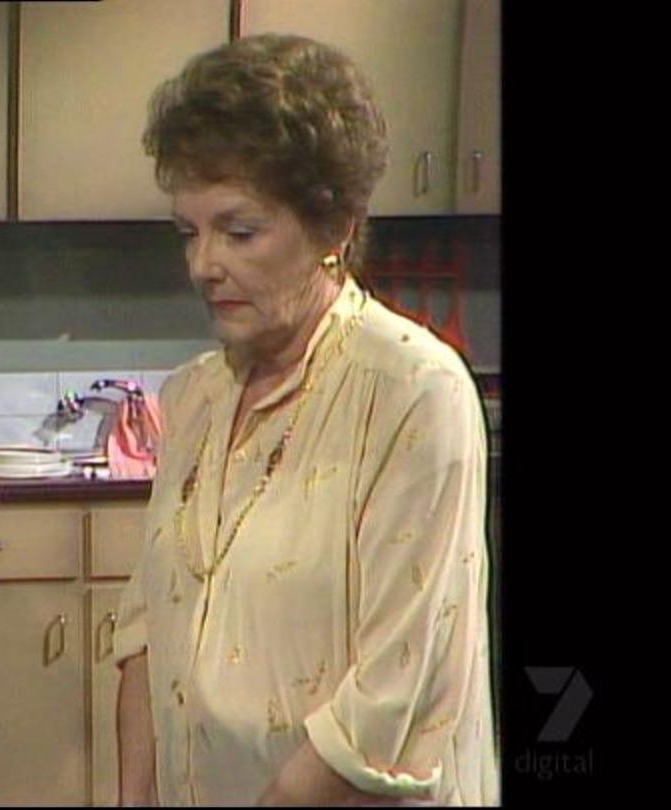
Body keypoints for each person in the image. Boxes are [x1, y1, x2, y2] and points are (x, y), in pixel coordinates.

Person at [113, 35, 498, 805]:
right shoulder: (194, 398)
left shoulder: (412, 391)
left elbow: (390, 698)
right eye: (189, 233)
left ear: (334, 229)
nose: (203, 265)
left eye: (239, 232)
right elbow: (148, 630)